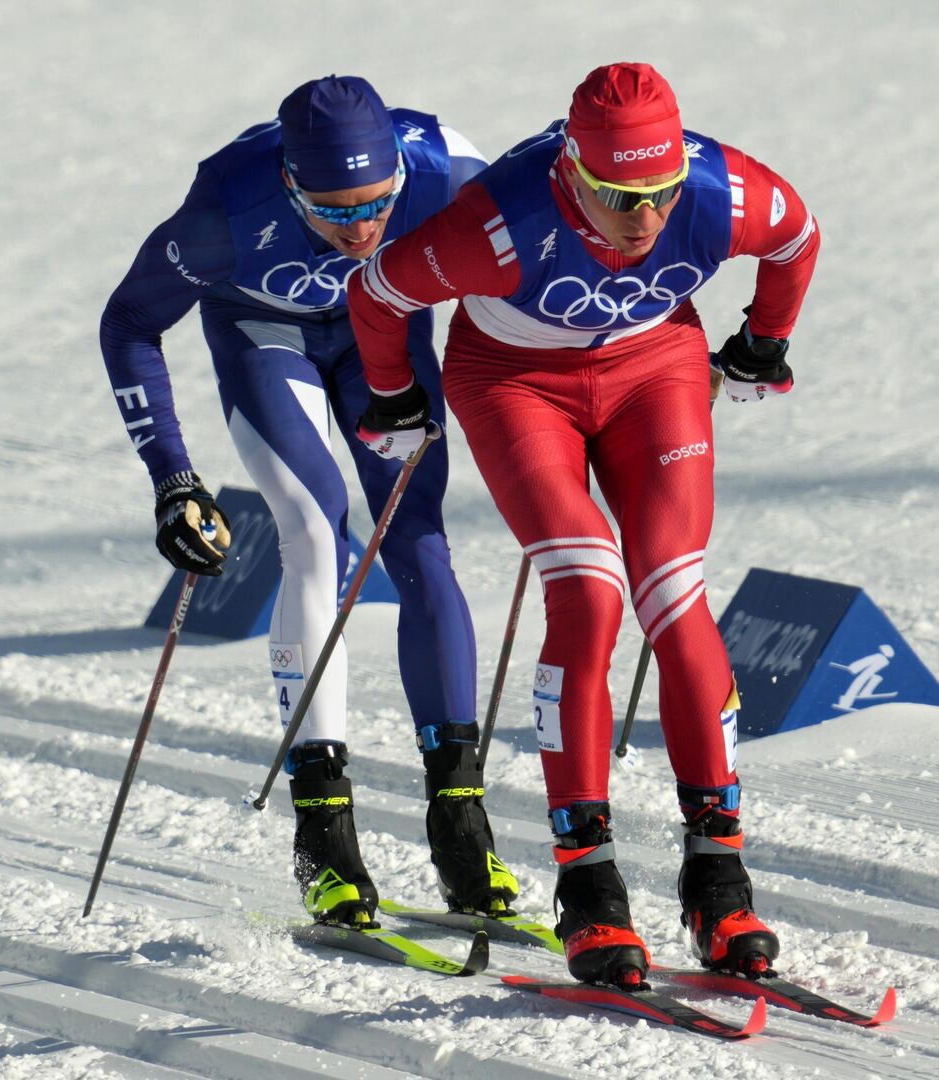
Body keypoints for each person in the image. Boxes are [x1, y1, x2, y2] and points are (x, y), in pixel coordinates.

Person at [347, 62, 820, 985]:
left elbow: (798, 237)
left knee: (676, 595)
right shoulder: (501, 224)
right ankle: (588, 881)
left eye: (659, 193)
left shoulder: (722, 192)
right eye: (617, 196)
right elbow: (379, 292)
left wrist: (763, 343)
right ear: (571, 171)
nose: (644, 220)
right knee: (591, 587)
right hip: (517, 385)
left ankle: (718, 874)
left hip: (655, 371)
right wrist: (397, 398)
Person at [98, 75, 519, 928]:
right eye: (330, 210)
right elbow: (129, 324)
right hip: (265, 335)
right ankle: (324, 830)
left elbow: (549, 261)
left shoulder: (449, 168)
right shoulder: (224, 210)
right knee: (313, 528)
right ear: (289, 183)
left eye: (376, 204)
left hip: (384, 340)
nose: (360, 228)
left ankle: (460, 815)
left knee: (419, 540)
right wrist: (172, 479)